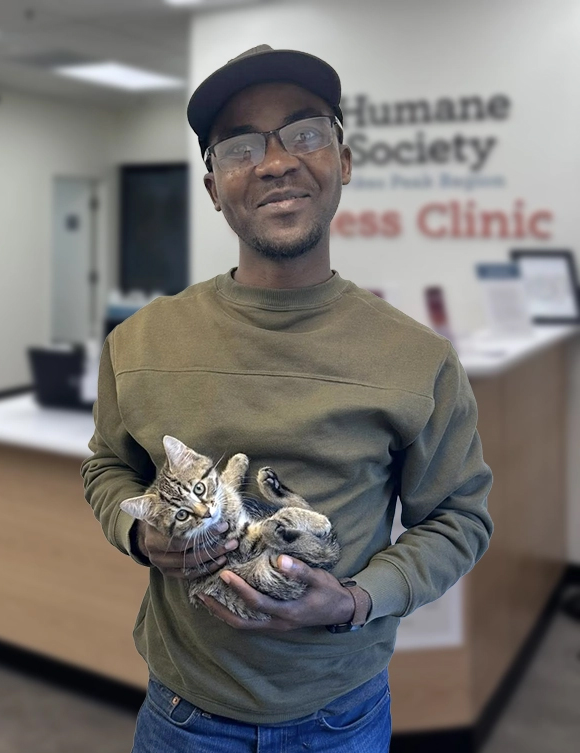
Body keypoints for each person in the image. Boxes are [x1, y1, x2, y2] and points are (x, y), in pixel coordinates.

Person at [80, 45, 493, 752]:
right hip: (183, 714)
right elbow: (106, 471)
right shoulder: (141, 341)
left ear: (344, 159)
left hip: (340, 715)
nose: (276, 162)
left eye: (305, 133)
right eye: (240, 145)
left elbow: (458, 518)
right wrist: (141, 534)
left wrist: (358, 599)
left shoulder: (416, 358)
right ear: (213, 186)